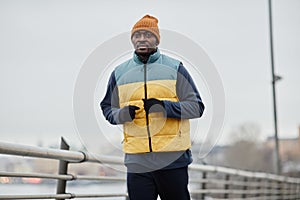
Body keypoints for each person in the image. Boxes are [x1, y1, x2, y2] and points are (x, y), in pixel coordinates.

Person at [100, 14, 205, 200]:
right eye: (137, 35)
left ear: (156, 40)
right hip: (137, 161)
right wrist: (122, 114)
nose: (142, 39)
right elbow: (107, 108)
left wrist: (164, 107)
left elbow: (196, 107)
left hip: (173, 160)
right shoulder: (119, 72)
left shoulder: (175, 68)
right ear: (132, 40)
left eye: (147, 35)